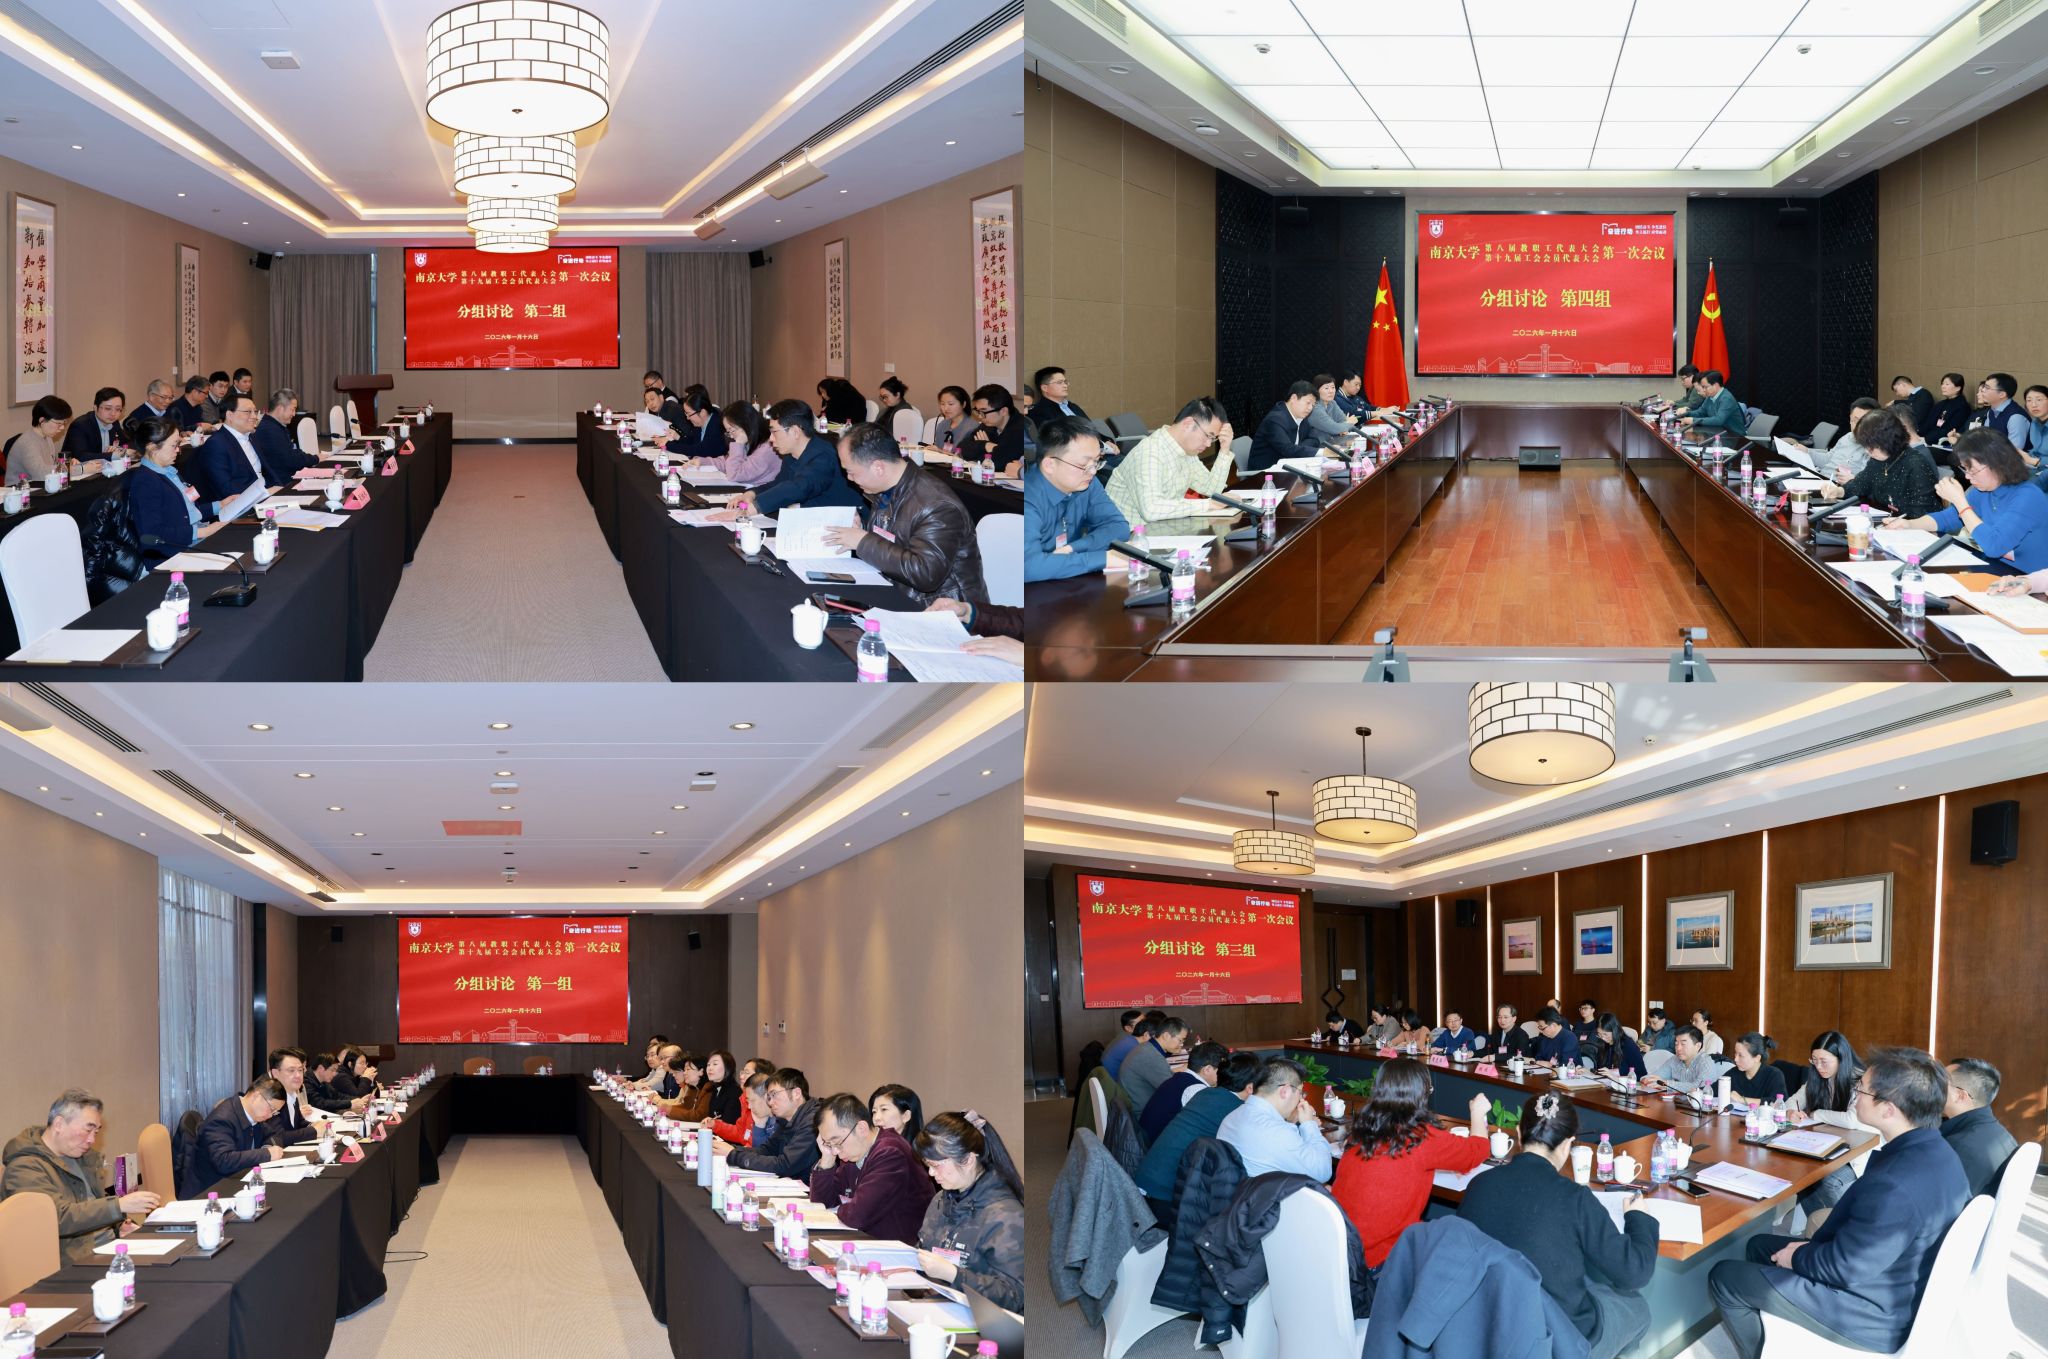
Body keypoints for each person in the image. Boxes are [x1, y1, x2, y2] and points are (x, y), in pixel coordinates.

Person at [1706, 1048, 1968, 1359]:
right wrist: (1803, 1252)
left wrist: (1799, 1256)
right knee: (1759, 1245)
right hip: (1890, 1274)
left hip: (1869, 1308)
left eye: (1862, 1090)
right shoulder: (1939, 1151)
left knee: (1724, 1277)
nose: (1855, 1096)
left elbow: (1844, 1267)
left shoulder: (1896, 1184)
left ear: (1888, 1109)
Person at [1465, 1093, 1658, 1359]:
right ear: (1568, 1145)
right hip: (1556, 1341)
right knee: (1638, 1308)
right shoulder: (1574, 1198)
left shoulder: (1479, 1184)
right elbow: (1635, 1273)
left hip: (1486, 1326)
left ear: (1519, 1134)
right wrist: (1638, 1218)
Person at [1332, 1059, 1492, 1270]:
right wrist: (1477, 1114)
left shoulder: (1362, 1127)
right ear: (1421, 1094)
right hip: (1380, 1260)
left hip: (1339, 1247)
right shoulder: (1420, 1135)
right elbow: (1477, 1150)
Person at [819, 421, 987, 605]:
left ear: (878, 467)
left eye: (851, 472)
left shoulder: (937, 506)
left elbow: (926, 574)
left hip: (940, 607)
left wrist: (862, 541)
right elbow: (895, 540)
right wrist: (862, 530)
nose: (849, 479)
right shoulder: (888, 488)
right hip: (897, 590)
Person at [1, 1090, 161, 1265]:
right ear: (59, 1124)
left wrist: (119, 1226)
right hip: (74, 1262)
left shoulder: (79, 1157)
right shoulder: (24, 1168)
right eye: (88, 1129)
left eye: (96, 1132)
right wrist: (119, 1205)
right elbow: (55, 1218)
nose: (92, 1140)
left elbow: (91, 1202)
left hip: (107, 1247)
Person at [1887, 429, 2048, 574]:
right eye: (1965, 468)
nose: (1967, 476)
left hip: (2028, 580)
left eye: (1973, 470)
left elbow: (1994, 546)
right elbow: (1948, 518)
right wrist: (1910, 524)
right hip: (1994, 568)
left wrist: (1960, 502)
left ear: (1998, 464)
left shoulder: (2028, 496)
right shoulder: (1983, 490)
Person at [914, 1112, 1025, 1311]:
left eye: (936, 1165)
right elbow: (926, 1246)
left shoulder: (1006, 1215)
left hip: (983, 1319)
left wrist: (954, 1274)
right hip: (940, 1306)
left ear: (968, 1160)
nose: (931, 1173)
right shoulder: (941, 1200)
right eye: (927, 1165)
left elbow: (1015, 1295)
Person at [1135, 1051, 1260, 1209]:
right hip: (1166, 1196)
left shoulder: (1205, 1093)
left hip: (1145, 1180)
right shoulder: (1237, 1111)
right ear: (1250, 1087)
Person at [808, 1092, 936, 1243]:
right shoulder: (853, 1153)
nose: (835, 1151)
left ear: (861, 1128)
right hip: (866, 1241)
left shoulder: (891, 1153)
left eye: (836, 1142)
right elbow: (822, 1205)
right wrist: (827, 1158)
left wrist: (844, 1207)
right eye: (829, 1144)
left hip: (898, 1248)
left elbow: (857, 1216)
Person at [1784, 1030, 1873, 1223]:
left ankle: (1844, 1228)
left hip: (1857, 1152)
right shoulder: (1816, 1078)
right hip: (1827, 1145)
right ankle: (1819, 1228)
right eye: (1814, 1060)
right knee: (1803, 1176)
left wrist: (1816, 1114)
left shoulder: (1859, 1080)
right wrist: (1791, 1112)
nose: (1818, 1067)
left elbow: (1852, 1119)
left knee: (1828, 1180)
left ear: (1841, 1059)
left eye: (1824, 1061)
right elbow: (1793, 1100)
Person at [714, 400, 860, 517]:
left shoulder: (822, 455)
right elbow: (780, 483)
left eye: (774, 432)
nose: (771, 439)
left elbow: (799, 487)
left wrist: (751, 510)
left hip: (843, 522)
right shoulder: (792, 454)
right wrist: (751, 494)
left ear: (795, 431)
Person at [1024, 417, 1127, 582]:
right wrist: (1103, 559)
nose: (1093, 471)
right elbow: (1028, 566)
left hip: (1070, 580)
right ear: (1049, 465)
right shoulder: (1028, 498)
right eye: (1083, 464)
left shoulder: (1086, 483)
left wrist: (1072, 548)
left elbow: (1118, 527)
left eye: (1096, 461)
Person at [1104, 397, 1234, 525]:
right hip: (1132, 534)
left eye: (1213, 439)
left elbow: (1211, 489)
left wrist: (1224, 449)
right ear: (1188, 424)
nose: (1208, 444)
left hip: (1162, 529)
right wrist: (1208, 504)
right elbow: (1152, 510)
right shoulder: (1150, 451)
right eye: (1208, 436)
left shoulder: (1188, 452)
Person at [1216, 1057, 1335, 1182]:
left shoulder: (1230, 1118)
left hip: (1239, 1191)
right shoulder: (1278, 1132)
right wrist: (1309, 1124)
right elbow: (1323, 1172)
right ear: (1285, 1091)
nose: (1301, 1099)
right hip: (1268, 1193)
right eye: (1300, 1092)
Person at [180, 1077, 293, 1197]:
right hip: (209, 1193)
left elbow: (274, 1135)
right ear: (256, 1096)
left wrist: (268, 1147)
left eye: (275, 1112)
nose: (270, 1115)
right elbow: (224, 1160)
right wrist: (266, 1154)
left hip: (235, 1182)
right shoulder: (221, 1120)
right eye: (271, 1108)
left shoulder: (253, 1114)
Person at [1816, 408, 1939, 518]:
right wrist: (1838, 491)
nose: (1867, 451)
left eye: (1871, 447)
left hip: (1913, 529)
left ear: (1887, 440)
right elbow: (1860, 484)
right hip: (1886, 521)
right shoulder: (1877, 460)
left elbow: (1922, 514)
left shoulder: (1916, 464)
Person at [127, 418, 222, 558]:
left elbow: (188, 512)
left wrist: (220, 505)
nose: (178, 450)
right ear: (152, 447)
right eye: (174, 445)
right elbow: (152, 533)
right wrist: (202, 532)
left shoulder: (170, 472)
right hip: (171, 553)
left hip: (192, 539)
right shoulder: (146, 482)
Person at [1940, 1056, 2019, 1197]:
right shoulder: (2002, 1135)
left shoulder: (1959, 1146)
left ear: (1960, 1096)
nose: (1932, 1088)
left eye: (1939, 1083)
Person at [190, 393, 283, 507]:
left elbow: (267, 471)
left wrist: (280, 490)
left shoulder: (251, 437)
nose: (254, 416)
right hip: (241, 505)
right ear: (230, 415)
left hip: (264, 496)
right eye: (248, 412)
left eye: (255, 411)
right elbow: (227, 488)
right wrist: (265, 493)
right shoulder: (216, 444)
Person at [728, 1067, 821, 1180]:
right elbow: (766, 1150)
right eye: (769, 1097)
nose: (770, 1102)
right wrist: (732, 1150)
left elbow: (784, 1165)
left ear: (796, 1093)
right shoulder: (786, 1120)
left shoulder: (814, 1122)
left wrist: (734, 1155)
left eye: (774, 1094)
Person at [1139, 1040, 1226, 1143]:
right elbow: (1213, 1126)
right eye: (1222, 1070)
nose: (1224, 1074)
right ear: (1207, 1069)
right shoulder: (1196, 1090)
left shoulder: (1179, 1078)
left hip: (1147, 1139)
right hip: (1158, 1145)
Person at [689, 402, 780, 486]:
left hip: (759, 493)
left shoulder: (767, 449)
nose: (731, 436)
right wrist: (702, 461)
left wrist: (738, 444)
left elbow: (734, 475)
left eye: (732, 430)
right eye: (728, 432)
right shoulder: (751, 441)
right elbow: (728, 462)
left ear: (746, 424)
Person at [260, 1046, 334, 1146]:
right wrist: (314, 1131)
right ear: (275, 1073)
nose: (298, 1075)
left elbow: (299, 1123)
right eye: (291, 1070)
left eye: (300, 1070)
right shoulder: (267, 1095)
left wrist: (312, 1125)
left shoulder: (291, 1090)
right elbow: (277, 1137)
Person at [1247, 380, 1322, 472]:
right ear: (1294, 398)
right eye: (1308, 403)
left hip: (1288, 468)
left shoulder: (1301, 416)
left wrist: (1297, 448)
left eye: (1313, 405)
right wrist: (1322, 452)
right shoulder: (1275, 419)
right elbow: (1287, 450)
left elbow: (1314, 439)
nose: (1310, 408)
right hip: (1265, 473)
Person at [1119, 1015, 1185, 1114]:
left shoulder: (1147, 1047)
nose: (1182, 1044)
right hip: (1143, 1114)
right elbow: (1173, 1091)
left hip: (1139, 1105)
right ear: (1166, 1036)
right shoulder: (1151, 1055)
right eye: (1180, 1040)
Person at [963, 385, 1027, 477]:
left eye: (983, 412)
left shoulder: (1019, 430)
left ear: (1003, 411)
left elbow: (997, 463)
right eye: (978, 411)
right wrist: (985, 445)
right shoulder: (989, 424)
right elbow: (962, 448)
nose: (980, 416)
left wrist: (979, 450)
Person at [11, 395, 80, 481]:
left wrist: (67, 463)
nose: (62, 428)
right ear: (42, 421)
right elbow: (40, 474)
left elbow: (50, 466)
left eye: (64, 423)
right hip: (20, 487)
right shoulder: (27, 443)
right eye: (59, 424)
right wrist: (73, 468)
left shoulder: (47, 438)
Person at [253, 388, 316, 480]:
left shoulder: (274, 425)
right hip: (281, 482)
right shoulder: (270, 430)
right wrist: (316, 459)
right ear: (280, 409)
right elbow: (291, 461)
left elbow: (291, 452)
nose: (294, 414)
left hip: (285, 475)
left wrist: (312, 458)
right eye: (292, 409)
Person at [1811, 397, 1876, 481]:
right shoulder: (1847, 437)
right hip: (1822, 479)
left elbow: (1868, 482)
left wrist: (1853, 480)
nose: (1857, 426)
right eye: (1854, 420)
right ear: (1850, 419)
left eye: (1863, 422)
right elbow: (1827, 459)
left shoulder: (1875, 449)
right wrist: (1807, 452)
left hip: (1840, 486)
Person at [1642, 1025, 1716, 1091]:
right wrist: (1647, 1079)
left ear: (1698, 1046)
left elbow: (1699, 1087)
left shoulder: (1706, 1062)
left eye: (1683, 1044)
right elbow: (1655, 1076)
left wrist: (1668, 1084)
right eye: (1676, 1044)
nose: (1678, 1048)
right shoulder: (1674, 1059)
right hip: (1677, 1101)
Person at [62, 386, 127, 460]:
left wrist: (120, 449)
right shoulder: (80, 425)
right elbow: (80, 456)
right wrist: (112, 455)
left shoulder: (114, 423)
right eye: (108, 408)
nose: (113, 414)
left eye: (118, 409)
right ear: (95, 408)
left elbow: (127, 442)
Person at [1970, 372, 2030, 450]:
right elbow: (1987, 440)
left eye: (1987, 388)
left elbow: (2014, 451)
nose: (1983, 390)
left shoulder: (2016, 417)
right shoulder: (1991, 411)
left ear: (2001, 394)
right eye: (1984, 387)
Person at [1681, 369, 1747, 441]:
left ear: (1715, 385)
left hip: (1735, 438)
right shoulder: (1710, 396)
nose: (1704, 390)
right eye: (1703, 387)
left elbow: (1719, 420)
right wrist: (1686, 413)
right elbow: (1700, 412)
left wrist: (1693, 420)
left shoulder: (1726, 398)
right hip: (1720, 434)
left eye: (1705, 387)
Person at [711, 1066, 769, 1148]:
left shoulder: (770, 1116)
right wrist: (715, 1125)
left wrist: (733, 1151)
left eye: (747, 1073)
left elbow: (761, 1150)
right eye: (742, 1072)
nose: (741, 1076)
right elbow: (740, 1132)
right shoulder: (745, 1100)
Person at [1727, 1033, 1786, 1102]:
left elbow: (1778, 1102)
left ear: (1757, 1058)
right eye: (1735, 1053)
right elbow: (1715, 1091)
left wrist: (1741, 1099)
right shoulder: (1734, 1072)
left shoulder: (1774, 1075)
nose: (1735, 1059)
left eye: (1740, 1055)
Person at [672, 391, 728, 461]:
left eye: (689, 414)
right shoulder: (700, 423)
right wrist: (673, 441)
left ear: (702, 412)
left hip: (715, 466)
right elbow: (691, 441)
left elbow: (699, 450)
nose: (687, 418)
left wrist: (669, 445)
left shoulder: (716, 424)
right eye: (686, 414)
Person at [1589, 1013, 1646, 1080]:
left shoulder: (1628, 1045)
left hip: (1626, 1083)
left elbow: (1641, 1074)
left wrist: (1615, 1074)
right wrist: (1589, 1071)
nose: (1603, 1038)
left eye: (1605, 1034)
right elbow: (1601, 1068)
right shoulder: (1602, 1043)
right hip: (1606, 1082)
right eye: (1599, 1034)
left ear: (1614, 1031)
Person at [1929, 372, 1973, 444]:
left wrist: (1926, 439)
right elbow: (1929, 423)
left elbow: (1950, 429)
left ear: (1958, 388)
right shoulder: (1941, 404)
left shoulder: (1962, 407)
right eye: (1942, 384)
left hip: (1945, 442)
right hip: (1931, 437)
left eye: (1947, 384)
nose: (1943, 386)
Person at [875, 376, 922, 444]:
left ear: (897, 395)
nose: (884, 400)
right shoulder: (886, 409)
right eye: (882, 397)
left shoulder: (905, 413)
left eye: (886, 397)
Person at [701, 1050, 743, 1125]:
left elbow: (729, 1122)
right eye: (708, 1065)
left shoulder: (735, 1091)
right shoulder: (715, 1089)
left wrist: (714, 1122)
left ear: (727, 1067)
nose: (710, 1068)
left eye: (715, 1064)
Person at [929, 385, 977, 450]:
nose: (946, 408)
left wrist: (939, 451)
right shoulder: (942, 425)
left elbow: (967, 454)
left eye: (951, 404)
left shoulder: (972, 428)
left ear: (963, 404)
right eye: (942, 404)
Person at [1102, 1010, 1144, 1079]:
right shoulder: (1130, 1042)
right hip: (1114, 1082)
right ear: (1128, 1028)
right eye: (1142, 1024)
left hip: (1107, 1077)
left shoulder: (1124, 1036)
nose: (1146, 1025)